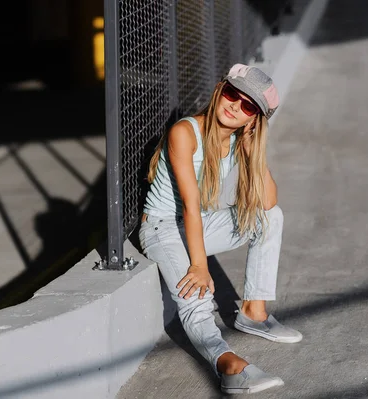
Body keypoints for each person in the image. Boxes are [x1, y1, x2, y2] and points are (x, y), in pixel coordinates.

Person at [139, 63, 302, 395]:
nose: (235, 106)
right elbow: (190, 206)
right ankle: (227, 364)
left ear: (253, 119)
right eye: (232, 94)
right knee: (196, 293)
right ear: (219, 90)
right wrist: (199, 267)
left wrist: (253, 149)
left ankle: (254, 313)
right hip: (162, 227)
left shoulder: (238, 140)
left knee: (271, 218)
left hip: (195, 225)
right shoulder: (184, 133)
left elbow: (268, 202)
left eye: (248, 106)